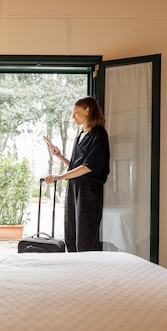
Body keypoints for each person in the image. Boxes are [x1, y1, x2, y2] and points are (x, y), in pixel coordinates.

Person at [44, 96, 110, 252]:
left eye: (76, 112)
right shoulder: (80, 136)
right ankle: (74, 272)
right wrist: (59, 156)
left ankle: (88, 274)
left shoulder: (99, 135)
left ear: (87, 110)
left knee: (85, 236)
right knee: (71, 232)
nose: (73, 116)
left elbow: (88, 167)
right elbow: (76, 166)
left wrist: (59, 177)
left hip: (88, 193)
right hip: (73, 189)